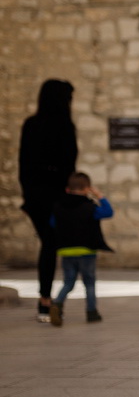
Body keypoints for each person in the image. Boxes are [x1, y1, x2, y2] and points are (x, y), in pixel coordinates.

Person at [18, 79, 78, 323]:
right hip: (55, 195)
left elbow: (24, 165)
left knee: (49, 244)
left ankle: (46, 298)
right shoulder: (64, 126)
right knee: (52, 243)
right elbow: (69, 164)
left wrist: (28, 194)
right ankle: (49, 298)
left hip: (35, 195)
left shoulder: (31, 125)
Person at [47, 171, 113, 326]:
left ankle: (57, 303)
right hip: (86, 251)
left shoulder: (58, 206)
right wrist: (99, 195)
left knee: (68, 283)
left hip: (66, 251)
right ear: (87, 189)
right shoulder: (89, 207)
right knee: (89, 283)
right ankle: (92, 313)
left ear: (67, 189)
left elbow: (52, 224)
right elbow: (108, 212)